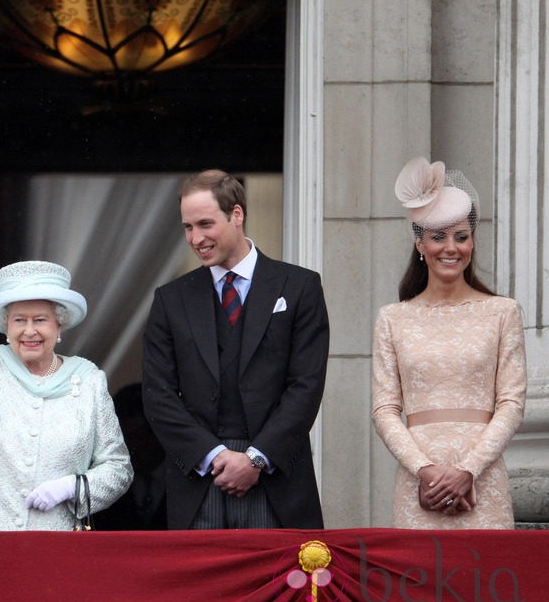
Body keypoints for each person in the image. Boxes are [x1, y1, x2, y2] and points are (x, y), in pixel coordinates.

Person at [142, 169, 329, 530]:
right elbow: (158, 394)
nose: (196, 238)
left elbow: (306, 385)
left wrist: (255, 460)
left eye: (205, 224)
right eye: (187, 227)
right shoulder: (170, 299)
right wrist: (214, 456)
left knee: (279, 586)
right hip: (199, 480)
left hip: (277, 478)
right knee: (199, 587)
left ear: (237, 215)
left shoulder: (300, 286)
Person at [372, 157, 526, 529]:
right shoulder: (393, 317)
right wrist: (424, 469)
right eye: (438, 237)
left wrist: (468, 470)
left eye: (461, 236)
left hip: (483, 479)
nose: (450, 248)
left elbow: (511, 402)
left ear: (472, 241)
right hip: (416, 482)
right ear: (419, 243)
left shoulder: (502, 312)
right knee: (418, 585)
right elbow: (384, 409)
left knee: (488, 583)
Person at [0, 260, 132, 530]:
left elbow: (118, 468)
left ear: (59, 326)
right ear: (6, 327)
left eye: (40, 320)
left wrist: (72, 487)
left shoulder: (90, 381)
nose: (29, 331)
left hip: (51, 545)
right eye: (19, 320)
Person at [92, 383, 167, 530]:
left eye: (137, 436)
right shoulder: (104, 480)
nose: (130, 447)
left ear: (159, 434)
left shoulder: (185, 480)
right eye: (122, 438)